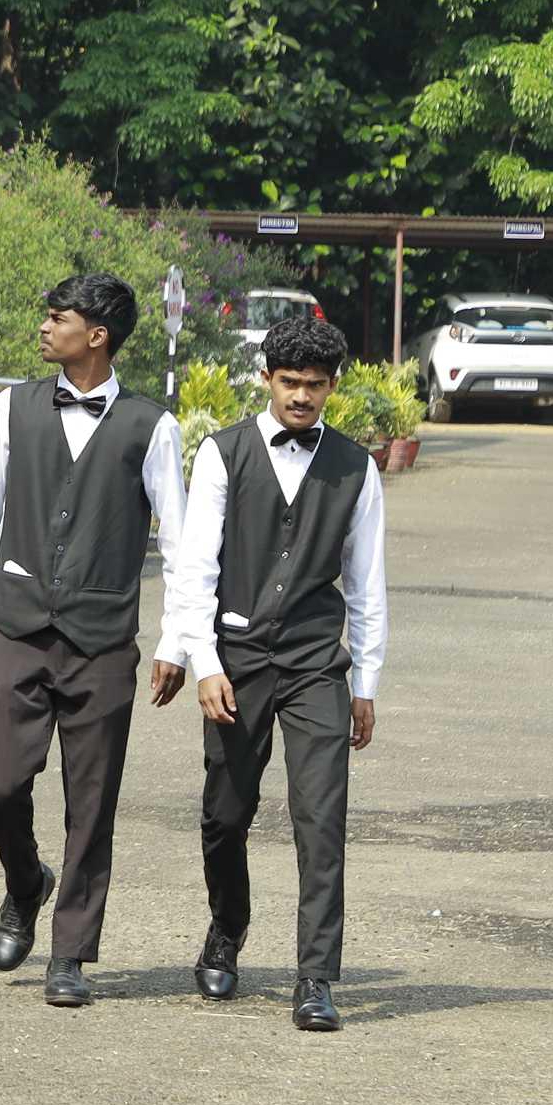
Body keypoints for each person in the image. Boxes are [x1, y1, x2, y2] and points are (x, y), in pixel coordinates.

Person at [0, 273, 189, 1009]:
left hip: (103, 638)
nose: (45, 327)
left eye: (58, 318)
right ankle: (25, 882)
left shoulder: (153, 426)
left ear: (98, 335)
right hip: (15, 622)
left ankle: (71, 953)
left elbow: (179, 543)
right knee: (0, 783)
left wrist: (176, 639)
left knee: (92, 798)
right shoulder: (12, 409)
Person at [162, 311, 387, 1033]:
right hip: (236, 659)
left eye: (315, 387)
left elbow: (368, 583)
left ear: (331, 388)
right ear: (265, 378)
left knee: (321, 820)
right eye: (290, 383)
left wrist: (366, 684)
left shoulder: (357, 468)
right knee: (225, 814)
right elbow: (195, 568)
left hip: (318, 664)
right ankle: (227, 926)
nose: (301, 398)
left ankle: (316, 977)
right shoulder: (223, 454)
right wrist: (202, 661)